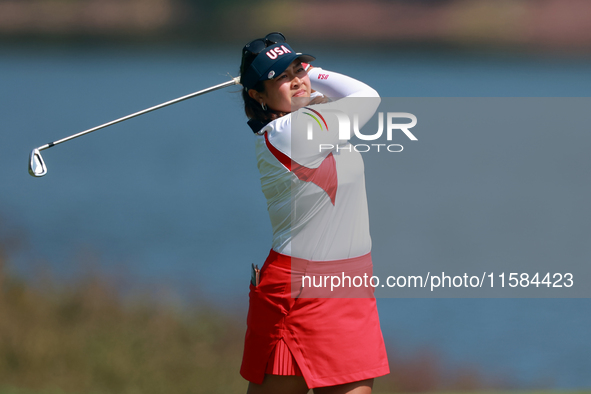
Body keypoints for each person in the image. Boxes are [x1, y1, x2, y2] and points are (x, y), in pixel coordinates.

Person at [238, 32, 389, 394]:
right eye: (281, 77)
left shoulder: (312, 120)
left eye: (298, 68)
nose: (296, 79)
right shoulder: (288, 132)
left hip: (351, 282)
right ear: (257, 95)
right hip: (299, 289)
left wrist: (303, 79)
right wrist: (316, 76)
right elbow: (367, 97)